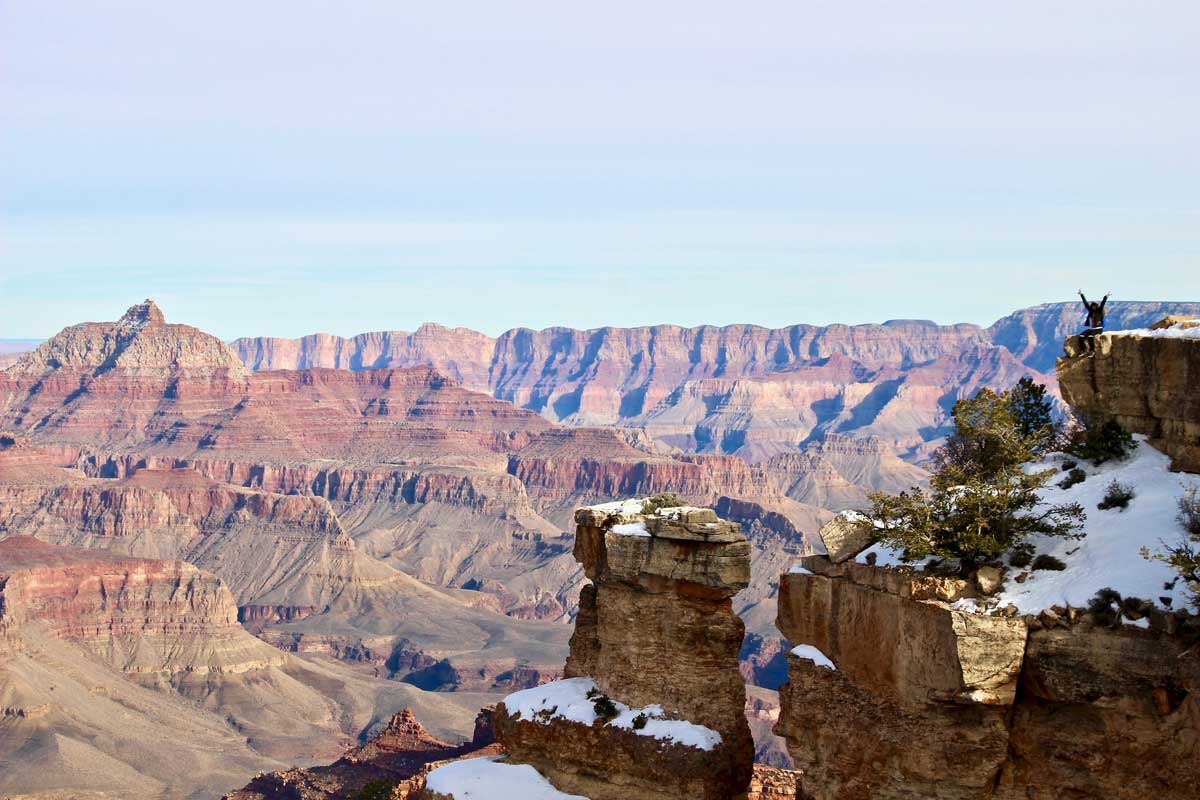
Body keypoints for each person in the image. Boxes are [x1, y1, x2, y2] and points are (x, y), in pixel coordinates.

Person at [1077, 290, 1110, 356]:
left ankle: (1092, 351)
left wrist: (1106, 297)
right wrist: (1081, 294)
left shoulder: (1099, 311)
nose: (1093, 307)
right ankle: (1083, 350)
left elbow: (1103, 303)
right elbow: (1085, 303)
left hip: (1099, 328)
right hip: (1092, 329)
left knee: (1090, 336)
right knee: (1081, 336)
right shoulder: (1091, 311)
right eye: (1092, 306)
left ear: (1097, 306)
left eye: (1095, 306)